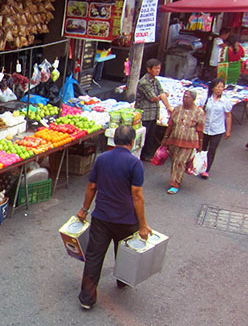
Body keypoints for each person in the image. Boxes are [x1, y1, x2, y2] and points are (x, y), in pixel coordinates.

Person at [76, 125, 152, 310]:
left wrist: (84, 210)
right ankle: (122, 281)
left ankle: (87, 298)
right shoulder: (135, 164)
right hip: (126, 220)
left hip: (102, 217)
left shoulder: (102, 159)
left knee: (94, 257)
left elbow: (92, 186)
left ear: (114, 140)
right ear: (133, 141)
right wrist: (143, 225)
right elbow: (137, 196)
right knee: (125, 252)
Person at [161, 89, 205, 194]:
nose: (185, 99)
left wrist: (200, 144)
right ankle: (176, 177)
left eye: (188, 97)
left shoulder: (199, 112)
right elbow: (171, 125)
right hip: (175, 140)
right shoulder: (177, 109)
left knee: (180, 161)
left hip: (189, 142)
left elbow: (200, 130)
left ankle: (175, 183)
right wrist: (165, 138)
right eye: (184, 96)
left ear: (193, 99)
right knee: (175, 160)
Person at [136, 59, 172, 162]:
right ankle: (141, 154)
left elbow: (161, 93)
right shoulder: (144, 82)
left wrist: (168, 107)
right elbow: (153, 98)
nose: (158, 70)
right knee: (144, 134)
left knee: (151, 135)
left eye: (159, 68)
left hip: (153, 113)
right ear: (149, 69)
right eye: (156, 68)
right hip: (145, 113)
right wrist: (163, 96)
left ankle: (147, 154)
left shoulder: (156, 81)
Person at [200, 78, 232, 179]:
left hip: (218, 129)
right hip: (205, 128)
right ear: (213, 88)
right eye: (218, 86)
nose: (220, 89)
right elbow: (201, 112)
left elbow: (228, 115)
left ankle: (206, 170)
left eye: (222, 87)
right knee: (202, 148)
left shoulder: (225, 101)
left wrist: (228, 130)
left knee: (212, 149)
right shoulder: (206, 98)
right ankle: (200, 165)